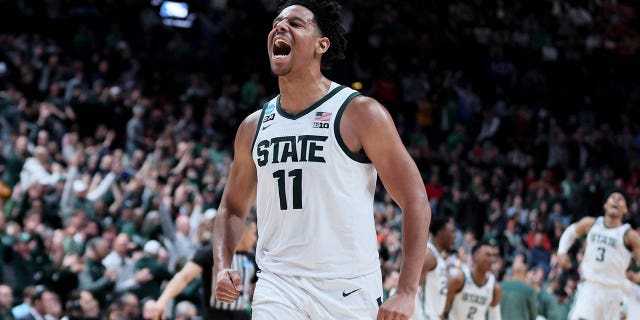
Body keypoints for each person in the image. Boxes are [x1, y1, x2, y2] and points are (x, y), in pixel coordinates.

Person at [211, 1, 431, 319]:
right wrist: (222, 264)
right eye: (277, 22)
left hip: (349, 290)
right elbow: (231, 208)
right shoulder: (253, 127)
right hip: (277, 286)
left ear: (321, 45)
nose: (280, 27)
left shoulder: (361, 113)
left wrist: (407, 292)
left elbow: (415, 199)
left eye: (296, 24)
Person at [557, 190, 640, 320]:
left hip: (613, 292)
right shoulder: (590, 223)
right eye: (612, 198)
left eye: (621, 199)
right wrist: (561, 252)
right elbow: (570, 232)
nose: (616, 200)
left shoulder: (630, 235)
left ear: (625, 209)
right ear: (605, 205)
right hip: (590, 287)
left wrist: (636, 277)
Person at [151, 221, 258, 320]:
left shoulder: (251, 258)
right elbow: (183, 277)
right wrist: (163, 300)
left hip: (242, 316)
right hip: (216, 316)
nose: (255, 239)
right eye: (253, 233)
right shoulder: (210, 253)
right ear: (241, 232)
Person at [412, 216, 456, 320]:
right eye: (452, 232)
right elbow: (412, 290)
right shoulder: (429, 254)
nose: (455, 237)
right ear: (441, 232)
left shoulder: (437, 257)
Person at [444, 241, 502, 320]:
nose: (492, 259)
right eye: (488, 255)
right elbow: (442, 311)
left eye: (494, 256)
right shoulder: (459, 279)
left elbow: (495, 318)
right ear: (475, 256)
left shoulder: (495, 288)